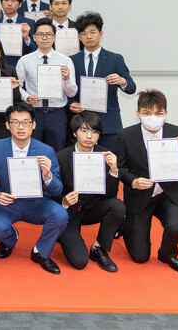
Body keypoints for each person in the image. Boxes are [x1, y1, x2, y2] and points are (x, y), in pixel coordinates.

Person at [115, 90, 178, 275]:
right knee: (140, 257)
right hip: (139, 196)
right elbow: (118, 169)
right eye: (147, 113)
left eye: (158, 113)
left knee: (176, 225)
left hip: (166, 194)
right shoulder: (125, 136)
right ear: (138, 114)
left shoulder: (177, 133)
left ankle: (168, 254)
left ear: (165, 114)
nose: (153, 118)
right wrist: (133, 181)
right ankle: (125, 222)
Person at [0, 101, 67, 274]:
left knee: (60, 215)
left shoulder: (46, 151)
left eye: (26, 122)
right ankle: (10, 237)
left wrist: (48, 176)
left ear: (34, 125)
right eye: (15, 122)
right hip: (7, 203)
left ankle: (40, 251)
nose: (21, 127)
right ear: (8, 125)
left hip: (37, 203)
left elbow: (57, 190)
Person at [54, 112, 125, 272]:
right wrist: (64, 201)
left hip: (93, 209)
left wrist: (114, 170)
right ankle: (61, 234)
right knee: (79, 261)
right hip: (69, 212)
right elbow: (53, 191)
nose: (89, 136)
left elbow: (110, 195)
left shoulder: (105, 155)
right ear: (74, 133)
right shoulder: (61, 157)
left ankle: (99, 248)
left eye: (94, 132)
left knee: (117, 206)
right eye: (84, 131)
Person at [68, 11, 136, 152]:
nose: (89, 36)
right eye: (84, 33)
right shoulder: (72, 60)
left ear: (101, 33)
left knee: (110, 163)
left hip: (109, 123)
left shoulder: (115, 59)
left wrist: (122, 81)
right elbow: (68, 90)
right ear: (79, 37)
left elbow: (131, 88)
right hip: (82, 123)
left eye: (93, 32)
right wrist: (71, 104)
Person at [16, 18, 77, 152]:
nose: (44, 38)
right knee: (32, 150)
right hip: (34, 112)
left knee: (57, 151)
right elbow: (16, 86)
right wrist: (26, 97)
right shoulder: (25, 60)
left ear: (54, 37)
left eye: (49, 34)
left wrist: (66, 79)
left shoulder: (65, 60)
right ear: (34, 37)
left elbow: (72, 93)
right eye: (40, 34)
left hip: (57, 113)